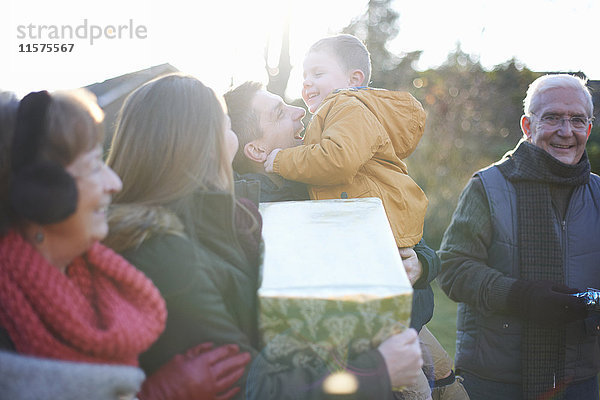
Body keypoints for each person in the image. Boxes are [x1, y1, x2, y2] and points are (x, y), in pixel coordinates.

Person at [104, 72, 424, 400]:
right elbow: (251, 387)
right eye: (225, 123)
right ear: (200, 140)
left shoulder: (219, 223)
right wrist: (375, 372)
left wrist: (421, 262)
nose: (233, 135)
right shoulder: (170, 255)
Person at [225, 81, 468, 400]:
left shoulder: (327, 175)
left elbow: (400, 222)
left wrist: (422, 262)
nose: (300, 111)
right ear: (256, 150)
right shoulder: (246, 218)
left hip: (396, 341)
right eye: (280, 112)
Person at [0, 88, 247, 400]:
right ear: (38, 194)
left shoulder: (95, 276)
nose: (114, 183)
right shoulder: (6, 321)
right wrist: (158, 394)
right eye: (93, 167)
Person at [437, 73, 600, 400]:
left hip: (579, 378)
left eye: (577, 120)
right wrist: (520, 296)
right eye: (552, 118)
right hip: (495, 379)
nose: (566, 132)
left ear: (589, 129)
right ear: (527, 126)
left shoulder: (598, 192)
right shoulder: (487, 186)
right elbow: (453, 270)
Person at [263, 34, 428, 250]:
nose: (307, 81)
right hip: (370, 226)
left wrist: (280, 160)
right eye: (304, 75)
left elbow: (338, 159)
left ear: (353, 80)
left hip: (378, 227)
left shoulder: (349, 107)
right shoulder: (337, 113)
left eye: (318, 73)